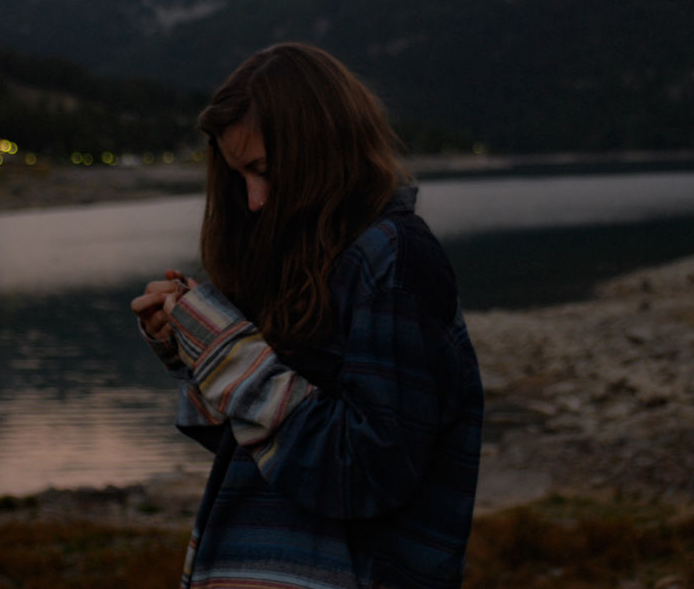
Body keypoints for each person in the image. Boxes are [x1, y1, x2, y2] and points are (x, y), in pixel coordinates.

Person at [130, 42, 483, 589]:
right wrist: (192, 351)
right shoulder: (311, 259)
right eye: (238, 175)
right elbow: (263, 449)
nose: (252, 201)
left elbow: (366, 472)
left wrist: (229, 353)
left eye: (264, 171)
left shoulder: (395, 258)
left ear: (321, 150)